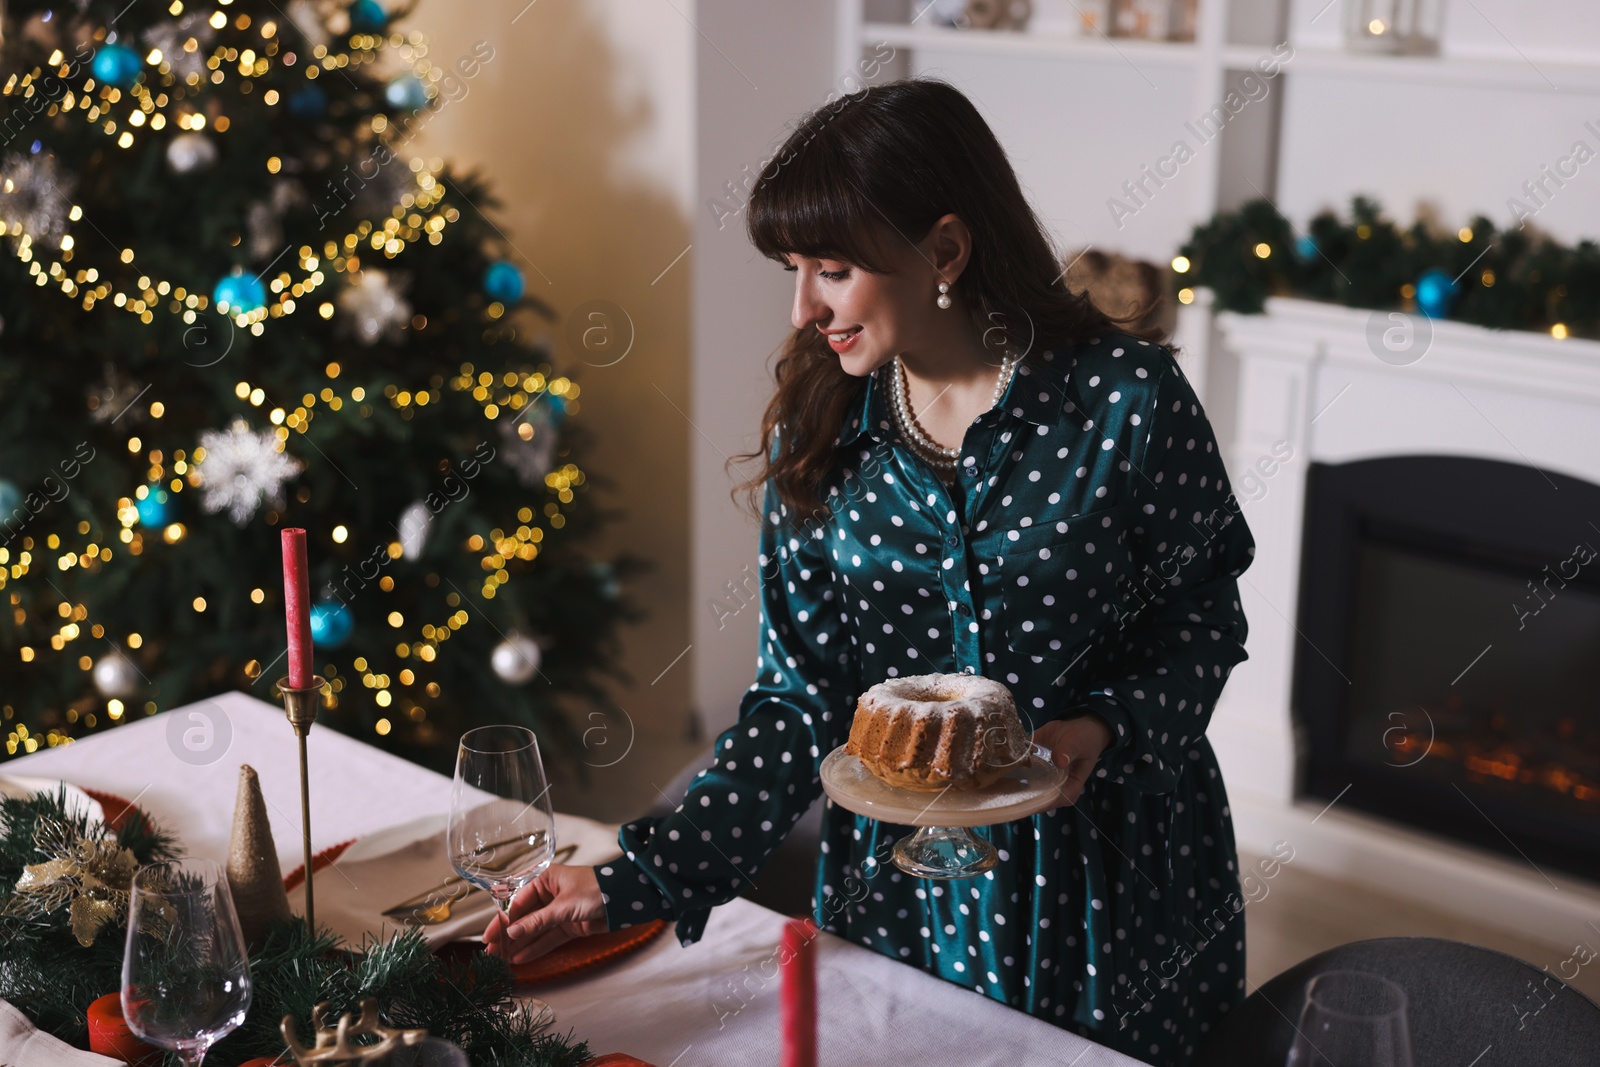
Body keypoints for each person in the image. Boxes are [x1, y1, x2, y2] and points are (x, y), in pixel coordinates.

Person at [485, 77, 1256, 1067]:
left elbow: (1198, 618)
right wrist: (627, 877)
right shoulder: (824, 428)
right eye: (794, 269)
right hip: (900, 896)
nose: (804, 307)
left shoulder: (1127, 401)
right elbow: (797, 702)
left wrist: (1104, 724)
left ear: (943, 250)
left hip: (1112, 885)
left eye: (833, 270)